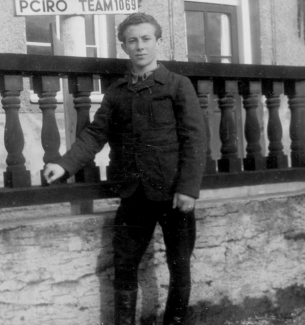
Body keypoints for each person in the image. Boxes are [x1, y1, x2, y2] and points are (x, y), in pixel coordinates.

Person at [44, 12, 207, 325]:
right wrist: (64, 164)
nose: (140, 46)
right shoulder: (117, 92)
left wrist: (188, 188)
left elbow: (194, 139)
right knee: (125, 265)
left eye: (146, 39)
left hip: (174, 194)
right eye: (132, 40)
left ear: (158, 42)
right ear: (124, 46)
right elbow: (95, 133)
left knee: (179, 265)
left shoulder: (177, 85)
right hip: (134, 196)